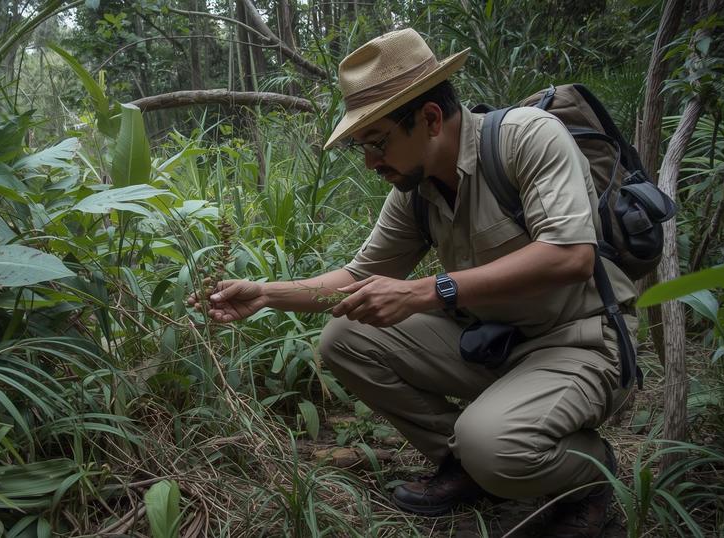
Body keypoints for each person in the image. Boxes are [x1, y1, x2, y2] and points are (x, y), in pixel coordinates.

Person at [189, 28, 636, 537]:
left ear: (429, 119)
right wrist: (267, 294)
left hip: (580, 343)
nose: (371, 162)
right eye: (363, 147)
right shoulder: (415, 188)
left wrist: (431, 289)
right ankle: (469, 466)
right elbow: (360, 277)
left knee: (494, 444)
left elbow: (570, 255)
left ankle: (588, 475)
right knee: (347, 338)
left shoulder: (528, 137)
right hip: (497, 343)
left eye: (377, 143)